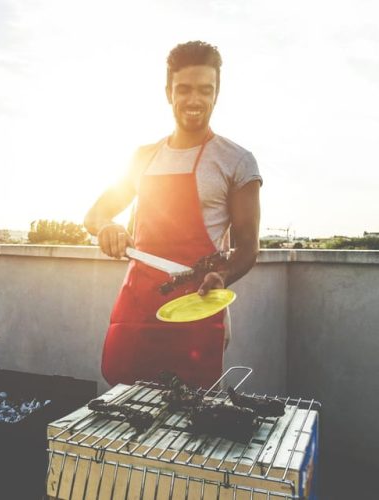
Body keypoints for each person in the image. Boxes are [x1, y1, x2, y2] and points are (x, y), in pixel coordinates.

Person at [85, 41, 262, 389]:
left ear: (217, 93)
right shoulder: (142, 157)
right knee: (127, 417)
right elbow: (95, 214)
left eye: (204, 90)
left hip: (195, 310)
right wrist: (108, 226)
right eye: (183, 89)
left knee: (188, 425)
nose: (194, 100)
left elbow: (248, 247)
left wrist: (222, 276)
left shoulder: (237, 161)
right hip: (137, 310)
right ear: (168, 92)